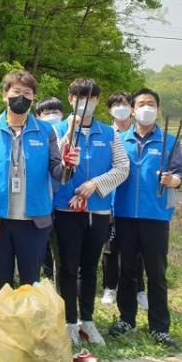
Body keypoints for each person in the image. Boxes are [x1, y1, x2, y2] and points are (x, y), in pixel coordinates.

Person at [0, 71, 76, 292]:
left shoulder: (45, 131)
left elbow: (57, 171)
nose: (21, 97)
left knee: (30, 285)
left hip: (34, 221)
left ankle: (28, 317)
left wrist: (69, 165)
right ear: (5, 95)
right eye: (16, 91)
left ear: (33, 98)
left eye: (27, 93)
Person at [52, 79, 129, 346]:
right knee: (67, 267)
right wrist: (70, 131)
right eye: (80, 97)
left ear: (97, 101)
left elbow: (122, 168)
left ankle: (87, 319)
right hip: (65, 209)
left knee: (89, 267)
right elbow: (54, 162)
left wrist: (95, 185)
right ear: (71, 99)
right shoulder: (56, 130)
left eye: (91, 98)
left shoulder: (108, 133)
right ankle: (69, 322)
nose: (86, 103)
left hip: (97, 211)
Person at [108, 88, 182, 349]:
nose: (146, 108)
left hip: (156, 216)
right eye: (141, 104)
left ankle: (159, 327)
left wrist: (173, 180)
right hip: (124, 215)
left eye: (151, 103)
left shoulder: (169, 141)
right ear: (132, 109)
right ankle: (126, 319)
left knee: (156, 273)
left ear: (158, 109)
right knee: (127, 271)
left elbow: (180, 173)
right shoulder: (119, 140)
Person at [101, 92, 148, 309]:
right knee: (110, 248)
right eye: (116, 104)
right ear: (109, 110)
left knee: (137, 249)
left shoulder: (139, 134)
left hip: (134, 203)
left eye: (125, 104)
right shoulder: (106, 134)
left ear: (132, 108)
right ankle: (110, 287)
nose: (121, 108)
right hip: (110, 201)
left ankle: (139, 289)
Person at [34, 96, 65, 283]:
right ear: (39, 115)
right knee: (40, 249)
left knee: (60, 251)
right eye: (47, 113)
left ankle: (59, 286)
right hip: (40, 204)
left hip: (62, 203)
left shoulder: (68, 133)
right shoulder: (36, 135)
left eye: (56, 112)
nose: (52, 116)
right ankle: (45, 281)